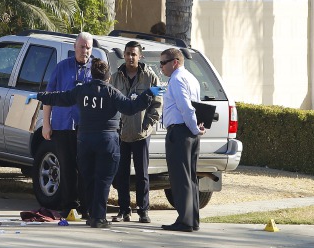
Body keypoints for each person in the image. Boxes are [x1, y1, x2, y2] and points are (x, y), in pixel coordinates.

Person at [27, 59, 163, 228]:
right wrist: (149, 93)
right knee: (103, 180)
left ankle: (91, 214)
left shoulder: (81, 90)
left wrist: (38, 96)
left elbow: (60, 97)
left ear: (91, 75)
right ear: (108, 77)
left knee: (88, 178)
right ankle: (99, 217)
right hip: (107, 141)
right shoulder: (112, 93)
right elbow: (131, 107)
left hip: (85, 141)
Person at [42, 32, 95, 218]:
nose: (85, 51)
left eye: (88, 47)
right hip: (63, 125)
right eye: (82, 47)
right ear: (74, 47)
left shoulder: (96, 69)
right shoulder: (62, 67)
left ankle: (86, 207)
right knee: (66, 166)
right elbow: (48, 97)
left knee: (86, 168)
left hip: (87, 127)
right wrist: (46, 124)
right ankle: (68, 205)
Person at [110, 41, 162, 224]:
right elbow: (110, 103)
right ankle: (124, 210)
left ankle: (143, 210)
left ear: (140, 56)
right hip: (121, 135)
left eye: (134, 54)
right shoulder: (115, 77)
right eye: (128, 54)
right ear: (123, 55)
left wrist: (147, 126)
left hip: (141, 134)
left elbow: (157, 105)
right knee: (121, 174)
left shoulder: (150, 77)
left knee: (142, 174)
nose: (130, 57)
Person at [160, 48, 205, 232]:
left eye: (163, 63)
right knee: (190, 177)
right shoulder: (191, 78)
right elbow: (197, 107)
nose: (161, 67)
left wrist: (194, 127)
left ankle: (185, 220)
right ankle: (192, 219)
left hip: (180, 132)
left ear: (175, 62)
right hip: (189, 134)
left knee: (180, 178)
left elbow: (186, 107)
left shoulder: (177, 79)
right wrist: (196, 128)